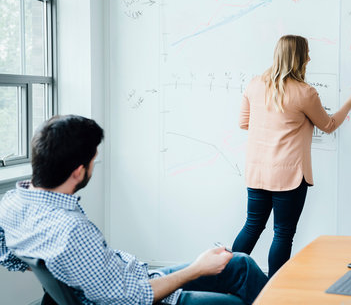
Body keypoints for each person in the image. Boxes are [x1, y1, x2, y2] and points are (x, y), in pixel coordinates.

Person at [0, 115, 267, 304]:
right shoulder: (72, 230)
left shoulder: (11, 203)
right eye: (94, 160)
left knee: (239, 264)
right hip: (139, 295)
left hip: (132, 278)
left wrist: (61, 272)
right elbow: (134, 299)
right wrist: (198, 268)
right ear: (78, 172)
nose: (94, 164)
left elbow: (8, 257)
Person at [232, 35, 351, 277]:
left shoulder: (254, 84)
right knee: (282, 233)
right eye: (307, 53)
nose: (310, 58)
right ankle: (276, 291)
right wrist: (350, 103)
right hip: (289, 175)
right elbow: (329, 124)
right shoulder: (305, 93)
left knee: (252, 226)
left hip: (257, 172)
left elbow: (244, 123)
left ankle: (224, 278)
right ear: (299, 58)